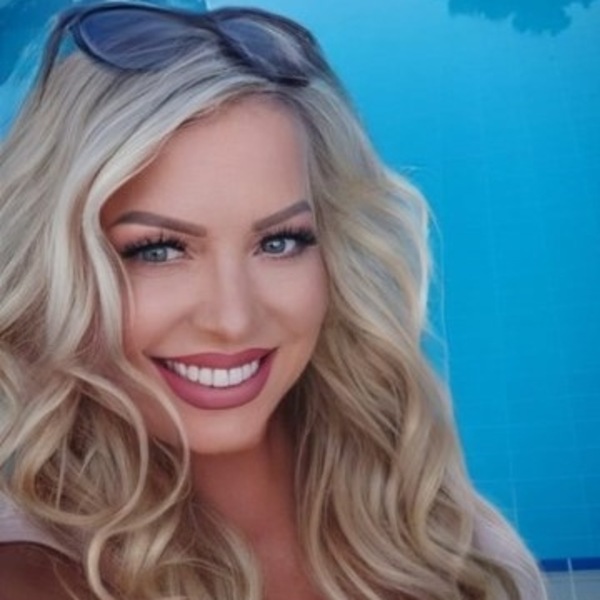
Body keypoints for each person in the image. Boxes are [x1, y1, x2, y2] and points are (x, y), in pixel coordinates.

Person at [0, 2, 547, 599]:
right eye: (158, 250)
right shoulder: (33, 573)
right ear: (60, 268)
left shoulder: (442, 532)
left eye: (279, 242)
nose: (233, 319)